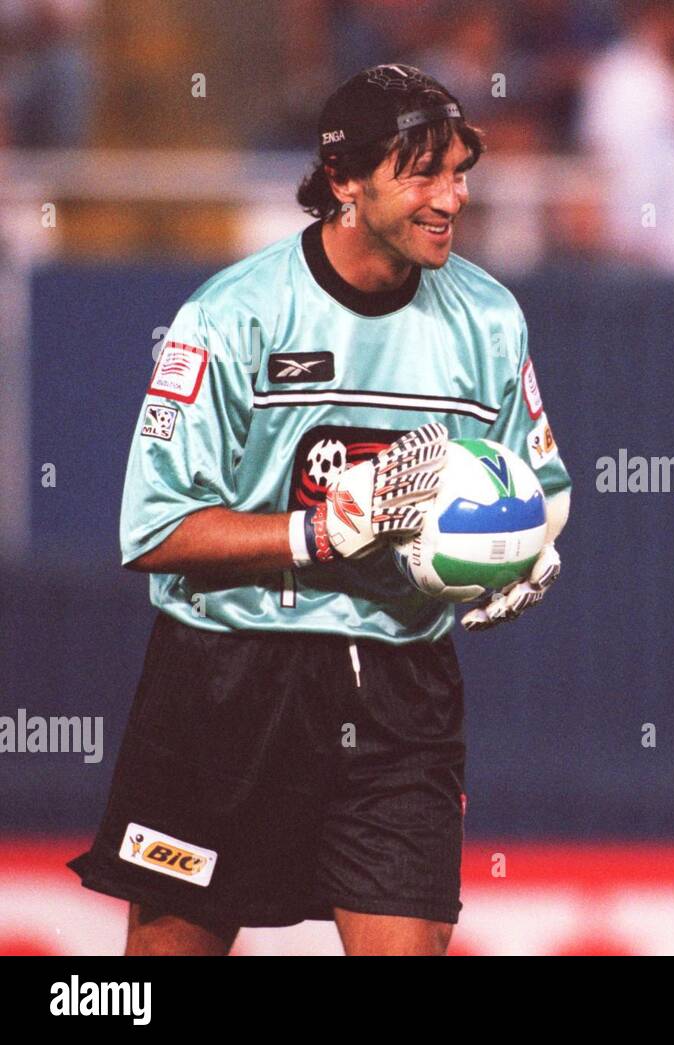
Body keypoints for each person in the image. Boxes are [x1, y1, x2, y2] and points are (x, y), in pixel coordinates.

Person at [67, 63, 573, 956]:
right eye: (423, 173)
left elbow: (541, 479)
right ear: (344, 181)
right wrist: (313, 534)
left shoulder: (491, 320)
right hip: (225, 685)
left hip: (399, 698)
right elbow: (152, 529)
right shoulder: (230, 318)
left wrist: (530, 545)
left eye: (459, 173)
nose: (451, 198)